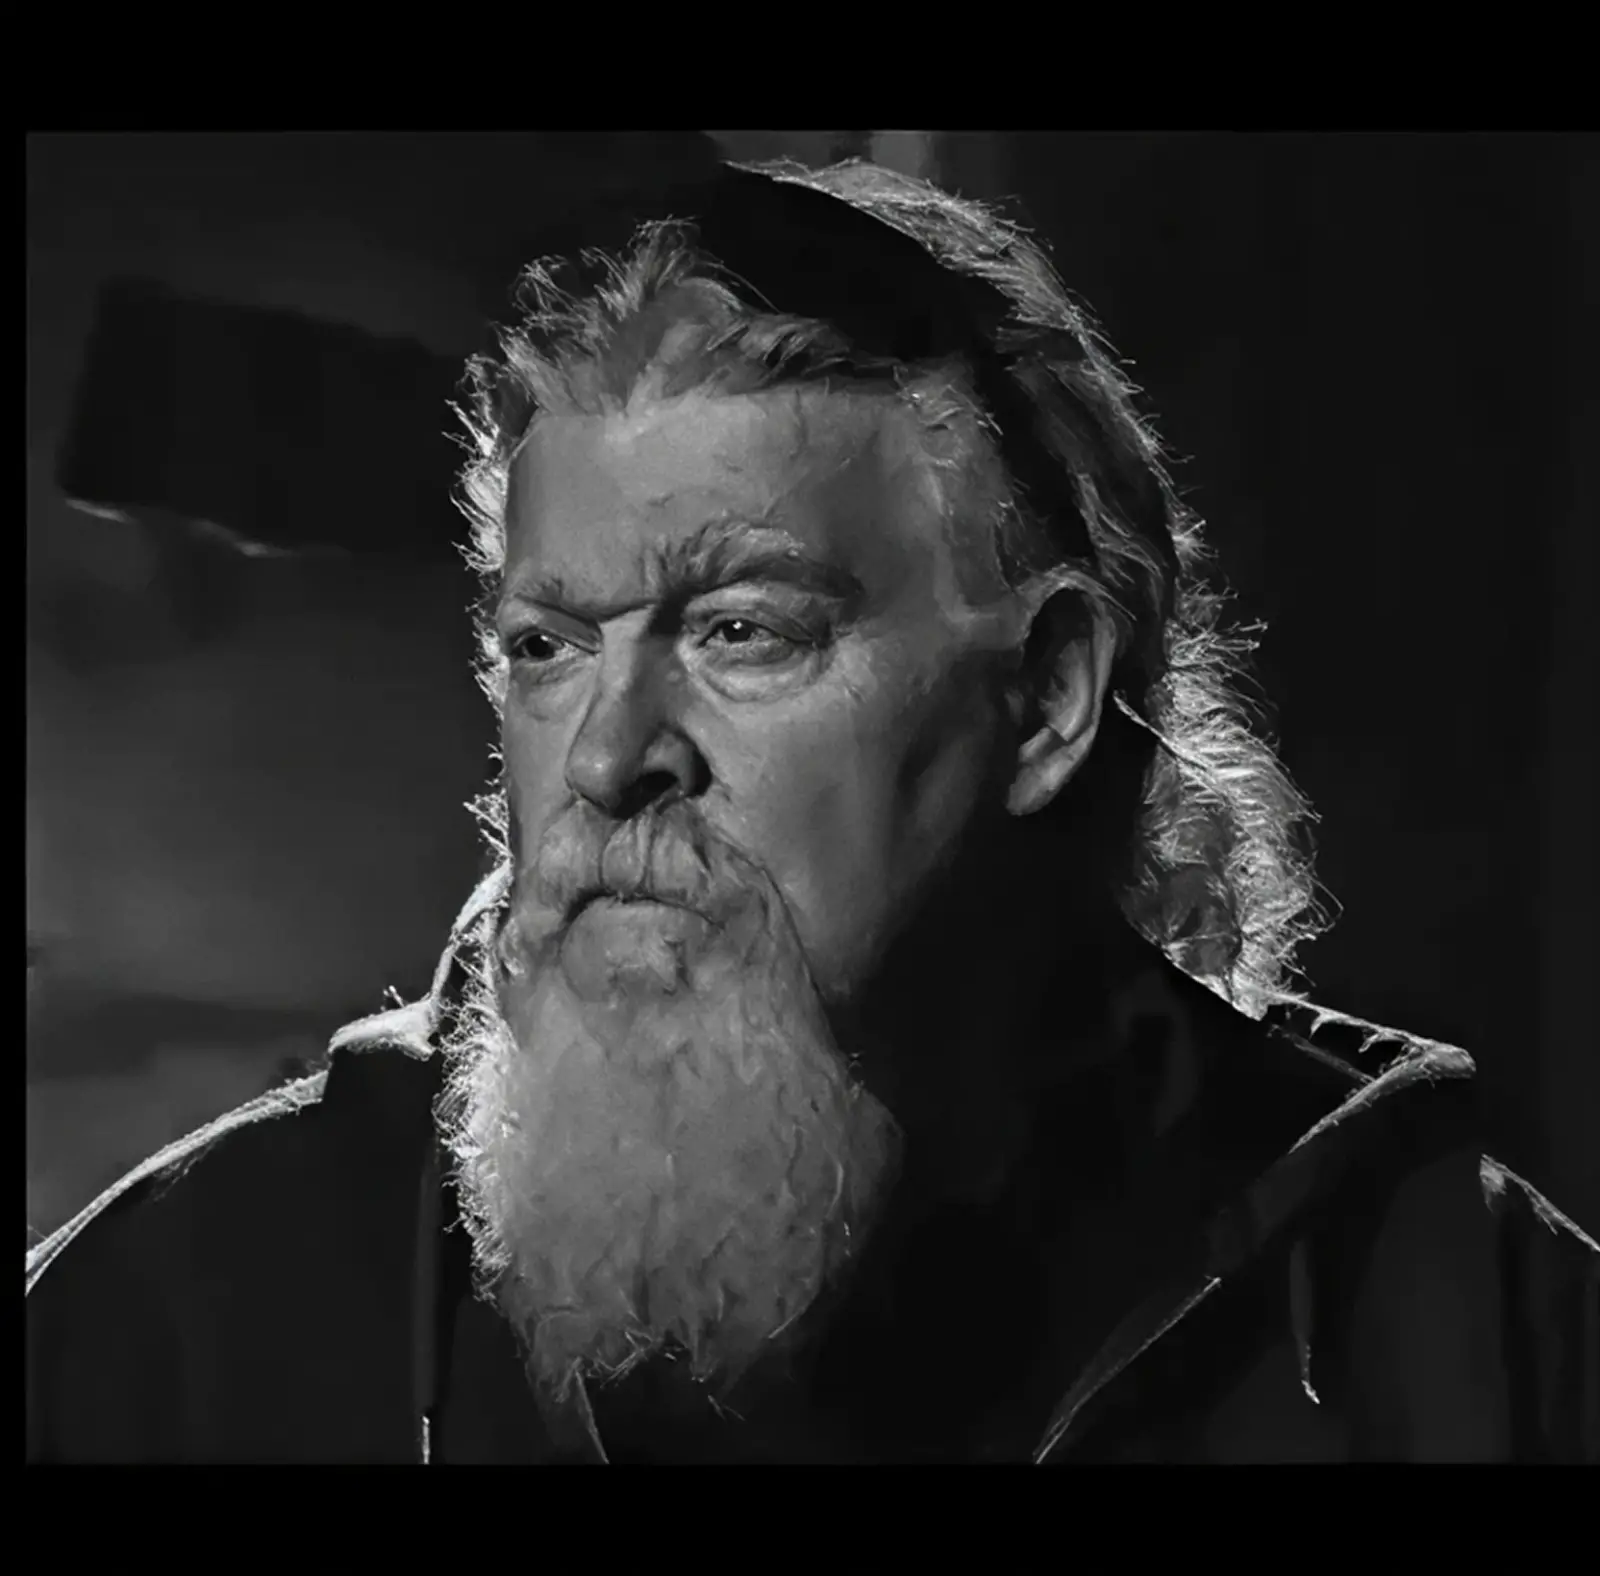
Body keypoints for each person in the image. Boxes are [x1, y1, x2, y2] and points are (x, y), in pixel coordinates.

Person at [25, 157, 1597, 1465]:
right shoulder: (185, 1329)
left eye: (742, 632)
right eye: (547, 649)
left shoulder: (1475, 1348)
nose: (607, 759)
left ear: (1049, 694)